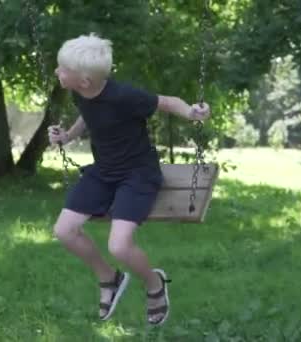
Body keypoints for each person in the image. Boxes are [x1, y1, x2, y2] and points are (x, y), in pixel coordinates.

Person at [48, 33, 211, 325]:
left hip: (138, 174)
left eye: (62, 69)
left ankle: (154, 284)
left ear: (83, 80)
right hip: (104, 171)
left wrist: (192, 112)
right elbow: (87, 114)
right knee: (64, 231)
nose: (56, 71)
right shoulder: (80, 92)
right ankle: (108, 277)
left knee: (119, 246)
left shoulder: (124, 96)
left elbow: (166, 101)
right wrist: (68, 136)